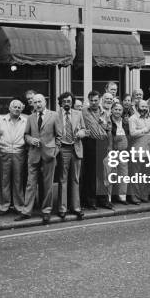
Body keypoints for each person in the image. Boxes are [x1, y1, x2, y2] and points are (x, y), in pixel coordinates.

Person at [16, 94, 62, 224]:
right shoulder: (30, 118)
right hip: (34, 154)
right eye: (35, 102)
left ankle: (46, 211)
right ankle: (26, 211)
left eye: (40, 102)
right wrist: (31, 140)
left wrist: (54, 151)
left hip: (49, 154)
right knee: (30, 184)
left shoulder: (54, 115)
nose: (37, 104)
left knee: (48, 185)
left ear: (45, 102)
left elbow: (59, 136)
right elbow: (26, 135)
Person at [56, 92, 86, 220]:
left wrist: (81, 132)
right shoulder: (55, 115)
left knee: (75, 179)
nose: (67, 103)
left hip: (76, 148)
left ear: (72, 102)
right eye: (64, 101)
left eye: (69, 101)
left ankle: (76, 208)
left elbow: (85, 129)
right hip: (63, 148)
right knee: (63, 179)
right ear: (61, 102)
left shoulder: (78, 114)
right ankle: (62, 208)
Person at [0, 99, 27, 215]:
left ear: (21, 109)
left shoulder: (25, 121)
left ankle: (19, 206)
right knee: (4, 180)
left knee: (18, 181)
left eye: (19, 107)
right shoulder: (1, 120)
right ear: (9, 108)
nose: (17, 109)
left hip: (19, 152)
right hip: (5, 152)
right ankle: (4, 206)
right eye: (14, 107)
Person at [81, 90, 111, 210]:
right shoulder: (83, 112)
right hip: (90, 144)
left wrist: (109, 146)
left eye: (96, 100)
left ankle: (103, 200)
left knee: (102, 173)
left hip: (102, 143)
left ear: (100, 100)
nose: (93, 102)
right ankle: (91, 200)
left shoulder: (105, 113)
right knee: (91, 173)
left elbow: (109, 128)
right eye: (91, 100)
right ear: (88, 100)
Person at [128, 99, 150, 203]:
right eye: (142, 107)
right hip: (137, 151)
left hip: (148, 151)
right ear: (137, 107)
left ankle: (143, 195)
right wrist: (145, 130)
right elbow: (132, 133)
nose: (144, 109)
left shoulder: (148, 118)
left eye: (145, 107)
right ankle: (135, 197)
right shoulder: (132, 118)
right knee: (136, 175)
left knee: (146, 175)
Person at [107, 102, 129, 205]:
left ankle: (122, 197)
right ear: (111, 110)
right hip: (113, 151)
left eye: (120, 110)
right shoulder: (108, 121)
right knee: (111, 174)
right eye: (115, 109)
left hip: (123, 152)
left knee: (123, 174)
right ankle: (109, 198)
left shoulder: (125, 122)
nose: (117, 111)